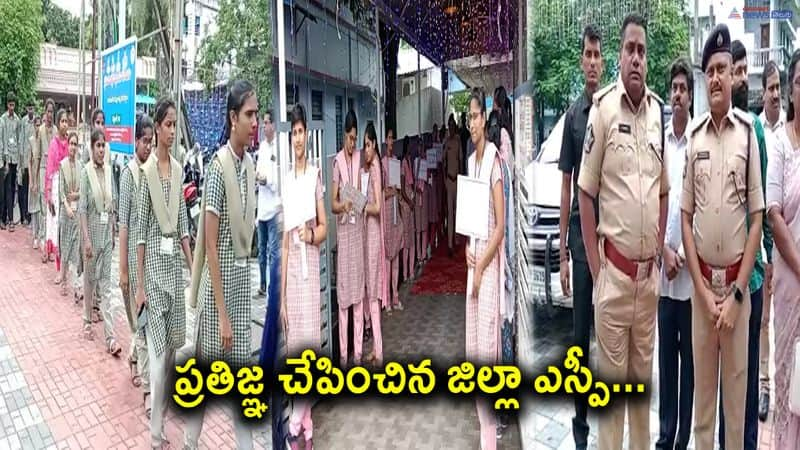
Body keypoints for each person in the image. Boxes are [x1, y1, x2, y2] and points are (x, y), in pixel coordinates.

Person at [577, 14, 668, 450]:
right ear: (620, 55)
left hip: (647, 286)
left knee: (640, 401)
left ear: (647, 60)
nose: (636, 58)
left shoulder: (658, 115)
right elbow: (585, 193)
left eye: (642, 51)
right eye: (630, 49)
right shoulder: (603, 111)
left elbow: (664, 191)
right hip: (612, 282)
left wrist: (656, 257)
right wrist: (598, 274)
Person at [681, 24, 764, 450]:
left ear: (734, 75)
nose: (715, 77)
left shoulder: (748, 135)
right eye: (709, 70)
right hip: (701, 296)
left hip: (736, 295)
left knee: (735, 413)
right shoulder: (694, 138)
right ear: (704, 77)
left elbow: (756, 219)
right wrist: (701, 288)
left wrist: (734, 296)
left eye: (722, 69)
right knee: (703, 415)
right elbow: (685, 218)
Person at [185, 80, 258, 449]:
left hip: (242, 291)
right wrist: (223, 313)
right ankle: (189, 442)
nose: (254, 121)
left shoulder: (249, 166)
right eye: (249, 114)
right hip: (220, 303)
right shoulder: (217, 169)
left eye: (257, 114)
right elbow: (209, 245)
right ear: (232, 119)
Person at [717, 40, 774, 450]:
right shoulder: (714, 130)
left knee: (748, 375)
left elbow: (762, 211)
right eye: (729, 68)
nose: (736, 76)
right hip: (718, 283)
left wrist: (763, 265)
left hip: (749, 280)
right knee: (723, 378)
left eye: (740, 69)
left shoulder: (753, 130)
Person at [135, 98, 193, 448]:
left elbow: (185, 226)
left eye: (175, 125)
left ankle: (160, 410)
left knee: (171, 353)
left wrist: (194, 269)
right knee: (157, 359)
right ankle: (155, 434)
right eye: (168, 124)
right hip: (154, 276)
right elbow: (140, 232)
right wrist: (140, 284)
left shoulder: (181, 169)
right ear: (156, 127)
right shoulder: (147, 176)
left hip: (175, 273)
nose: (172, 130)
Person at [557, 24, 603, 449]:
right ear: (581, 60)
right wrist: (563, 254)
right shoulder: (573, 116)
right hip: (578, 242)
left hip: (611, 241)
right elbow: (566, 185)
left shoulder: (612, 111)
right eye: (586, 55)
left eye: (596, 55)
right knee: (579, 337)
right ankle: (580, 425)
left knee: (610, 337)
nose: (591, 62)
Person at [281, 103, 327, 450]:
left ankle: (297, 416)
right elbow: (282, 243)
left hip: (310, 268)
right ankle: (306, 421)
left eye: (301, 132)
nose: (298, 138)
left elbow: (325, 227)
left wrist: (310, 235)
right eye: (294, 132)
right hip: (292, 273)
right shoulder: (286, 180)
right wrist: (280, 296)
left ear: (307, 135)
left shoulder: (314, 176)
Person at [656, 57, 695, 450]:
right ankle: (665, 436)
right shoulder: (659, 141)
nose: (678, 94)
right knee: (667, 363)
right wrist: (662, 251)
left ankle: (683, 438)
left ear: (691, 96)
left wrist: (680, 251)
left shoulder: (698, 141)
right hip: (661, 275)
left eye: (684, 89)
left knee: (691, 367)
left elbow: (700, 202)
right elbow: (652, 201)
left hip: (690, 274)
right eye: (674, 88)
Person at [464, 87, 505, 450]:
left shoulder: (492, 160)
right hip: (474, 263)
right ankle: (483, 432)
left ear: (485, 120)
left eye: (475, 116)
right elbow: (473, 220)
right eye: (468, 116)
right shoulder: (470, 162)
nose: (471, 121)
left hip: (488, 271)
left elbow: (501, 223)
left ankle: (489, 438)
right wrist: (466, 249)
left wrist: (481, 269)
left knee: (487, 357)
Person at [765, 47, 800, 450]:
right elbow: (774, 214)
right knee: (789, 380)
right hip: (790, 288)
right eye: (798, 82)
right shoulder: (778, 144)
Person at [118, 113, 153, 414]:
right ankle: (147, 390)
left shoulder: (153, 170)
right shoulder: (129, 175)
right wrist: (124, 269)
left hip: (151, 261)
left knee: (146, 325)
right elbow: (125, 225)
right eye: (144, 142)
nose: (148, 148)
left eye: (151, 143)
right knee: (142, 325)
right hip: (132, 259)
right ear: (136, 141)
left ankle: (133, 358)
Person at [79, 127, 121, 355]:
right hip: (91, 237)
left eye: (104, 145)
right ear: (91, 147)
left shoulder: (108, 170)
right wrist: (85, 239)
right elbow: (83, 209)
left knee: (106, 287)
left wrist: (113, 230)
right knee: (90, 281)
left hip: (106, 238)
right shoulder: (86, 172)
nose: (101, 150)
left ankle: (111, 337)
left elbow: (112, 204)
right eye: (98, 145)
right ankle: (86, 319)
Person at [758, 58, 784, 422]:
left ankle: (787, 384)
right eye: (772, 88)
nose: (776, 94)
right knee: (764, 321)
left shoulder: (792, 133)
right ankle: (765, 386)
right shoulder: (757, 131)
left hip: (789, 245)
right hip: (765, 247)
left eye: (780, 88)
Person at [332, 109, 366, 368]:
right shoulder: (337, 164)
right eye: (351, 139)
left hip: (358, 233)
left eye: (356, 139)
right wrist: (344, 204)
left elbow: (363, 198)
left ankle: (357, 355)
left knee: (358, 297)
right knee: (344, 299)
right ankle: (343, 357)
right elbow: (332, 203)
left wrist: (358, 200)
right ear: (344, 136)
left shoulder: (360, 161)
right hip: (344, 234)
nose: (353, 144)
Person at [363, 121, 387, 365]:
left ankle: (379, 350)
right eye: (364, 146)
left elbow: (378, 207)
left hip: (373, 232)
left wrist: (362, 206)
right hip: (367, 232)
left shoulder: (377, 167)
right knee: (370, 292)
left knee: (372, 294)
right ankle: (376, 348)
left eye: (368, 145)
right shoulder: (370, 167)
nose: (366, 150)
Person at [45, 109, 71, 281]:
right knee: (57, 228)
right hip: (55, 189)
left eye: (66, 121)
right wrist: (48, 194)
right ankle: (59, 269)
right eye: (62, 121)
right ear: (57, 123)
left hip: (67, 187)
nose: (64, 124)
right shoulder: (54, 144)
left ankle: (66, 268)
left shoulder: (70, 143)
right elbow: (50, 170)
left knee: (66, 228)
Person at [58, 131, 82, 300]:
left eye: (76, 144)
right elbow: (60, 191)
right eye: (71, 144)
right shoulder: (63, 165)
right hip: (66, 213)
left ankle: (76, 286)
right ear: (68, 146)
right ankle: (63, 279)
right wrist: (66, 205)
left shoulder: (81, 166)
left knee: (75, 249)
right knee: (65, 247)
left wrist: (77, 196)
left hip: (76, 213)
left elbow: (83, 190)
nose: (73, 147)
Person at [382, 127, 404, 310]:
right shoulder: (381, 164)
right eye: (388, 138)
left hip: (396, 209)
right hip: (387, 210)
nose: (391, 142)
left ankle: (395, 295)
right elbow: (381, 191)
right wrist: (391, 192)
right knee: (388, 256)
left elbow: (399, 186)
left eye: (392, 138)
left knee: (396, 254)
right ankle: (387, 299)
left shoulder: (396, 161)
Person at [1, 92, 23, 231]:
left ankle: (8, 218)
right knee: (6, 189)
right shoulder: (3, 119)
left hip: (15, 158)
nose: (11, 107)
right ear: (6, 104)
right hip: (6, 159)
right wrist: (6, 161)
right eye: (9, 104)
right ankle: (8, 219)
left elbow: (19, 139)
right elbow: (2, 140)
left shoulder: (17, 120)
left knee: (12, 189)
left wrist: (19, 160)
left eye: (13, 105)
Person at [444, 115, 462, 257]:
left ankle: (456, 238)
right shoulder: (447, 142)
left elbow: (460, 161)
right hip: (449, 181)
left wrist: (462, 178)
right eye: (448, 126)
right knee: (450, 213)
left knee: (457, 212)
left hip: (457, 180)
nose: (450, 128)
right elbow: (443, 161)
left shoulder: (457, 142)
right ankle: (450, 244)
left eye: (452, 126)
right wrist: (444, 179)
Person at [400, 136, 416, 283]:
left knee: (411, 239)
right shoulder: (403, 164)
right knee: (406, 240)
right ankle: (405, 273)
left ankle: (411, 271)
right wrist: (409, 201)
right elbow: (403, 189)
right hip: (406, 205)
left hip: (410, 203)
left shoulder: (410, 162)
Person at [19, 102, 35, 226]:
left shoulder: (36, 121)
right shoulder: (23, 122)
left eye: (32, 108)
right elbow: (21, 141)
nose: (30, 111)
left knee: (32, 190)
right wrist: (22, 163)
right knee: (24, 190)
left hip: (34, 162)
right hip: (25, 162)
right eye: (29, 108)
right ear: (26, 109)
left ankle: (30, 217)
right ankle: (24, 215)